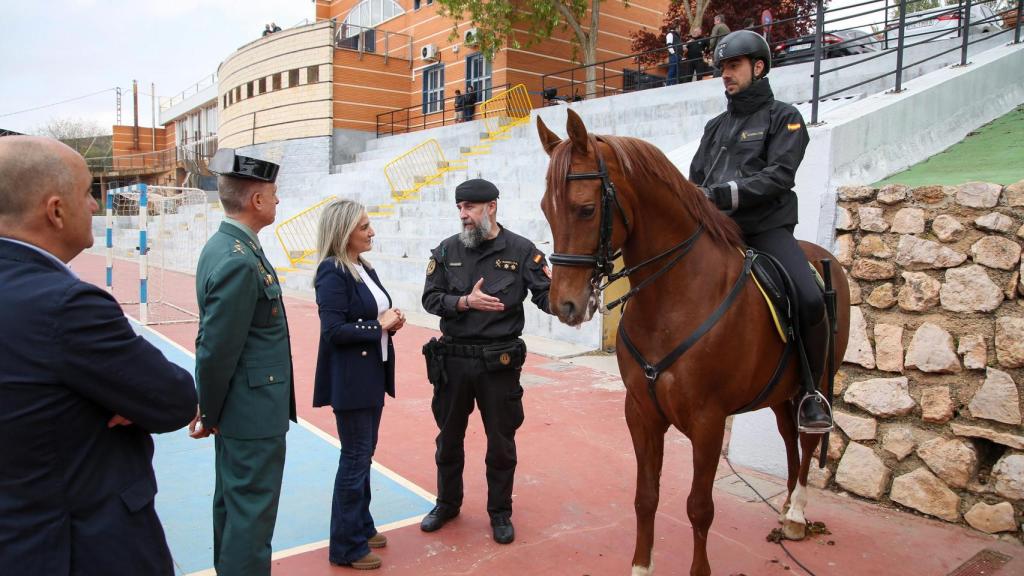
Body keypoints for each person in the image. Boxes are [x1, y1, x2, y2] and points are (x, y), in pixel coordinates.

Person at [0, 136, 197, 575]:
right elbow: (174, 399)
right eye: (87, 192)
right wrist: (121, 398)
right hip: (80, 547)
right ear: (55, 211)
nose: (94, 206)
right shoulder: (65, 305)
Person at [689, 30, 832, 432]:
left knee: (808, 299)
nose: (726, 75)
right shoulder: (715, 127)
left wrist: (718, 194)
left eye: (733, 66)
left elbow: (778, 177)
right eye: (722, 69)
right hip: (718, 232)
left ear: (758, 67)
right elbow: (695, 176)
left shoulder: (785, 117)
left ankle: (809, 391)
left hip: (766, 230)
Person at [420, 178, 554, 545]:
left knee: (501, 442)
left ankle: (500, 513)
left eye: (470, 207)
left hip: (499, 364)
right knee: (448, 439)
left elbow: (546, 297)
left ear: (491, 207)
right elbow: (430, 299)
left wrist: (571, 301)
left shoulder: (523, 250)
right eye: (460, 207)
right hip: (454, 361)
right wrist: (464, 302)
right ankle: (447, 504)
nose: (463, 214)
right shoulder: (447, 250)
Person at [189, 148, 297, 576]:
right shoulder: (238, 259)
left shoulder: (228, 247)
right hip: (251, 414)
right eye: (272, 193)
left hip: (241, 409)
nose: (277, 201)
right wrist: (209, 409)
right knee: (251, 520)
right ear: (255, 200)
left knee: (235, 510)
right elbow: (215, 350)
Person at [313, 199, 406, 570]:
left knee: (363, 455)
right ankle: (346, 546)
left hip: (371, 375)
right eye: (364, 226)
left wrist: (391, 320)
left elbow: (374, 314)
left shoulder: (361, 266)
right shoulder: (331, 272)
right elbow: (333, 331)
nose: (372, 232)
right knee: (354, 458)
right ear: (344, 231)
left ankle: (362, 526)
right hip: (351, 382)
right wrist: (378, 326)